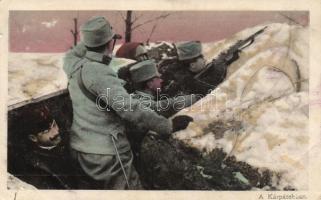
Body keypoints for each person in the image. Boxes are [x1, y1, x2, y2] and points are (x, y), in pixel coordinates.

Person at [63, 16, 192, 189]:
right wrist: (167, 126)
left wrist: (93, 37)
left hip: (80, 148)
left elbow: (73, 52)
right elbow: (130, 109)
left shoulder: (73, 64)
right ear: (110, 43)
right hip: (107, 154)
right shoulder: (100, 73)